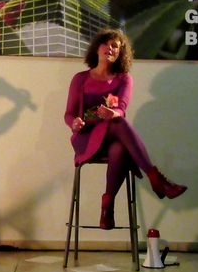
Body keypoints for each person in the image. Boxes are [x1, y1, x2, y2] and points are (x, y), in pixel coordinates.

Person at [64, 28, 187, 230]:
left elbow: (121, 109)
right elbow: (68, 114)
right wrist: (74, 123)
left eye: (116, 46)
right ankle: (157, 180)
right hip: (86, 139)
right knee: (120, 126)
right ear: (97, 48)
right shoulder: (80, 79)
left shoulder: (124, 79)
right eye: (106, 44)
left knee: (120, 147)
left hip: (112, 136)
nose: (110, 48)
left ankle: (107, 206)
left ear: (120, 54)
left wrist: (113, 114)